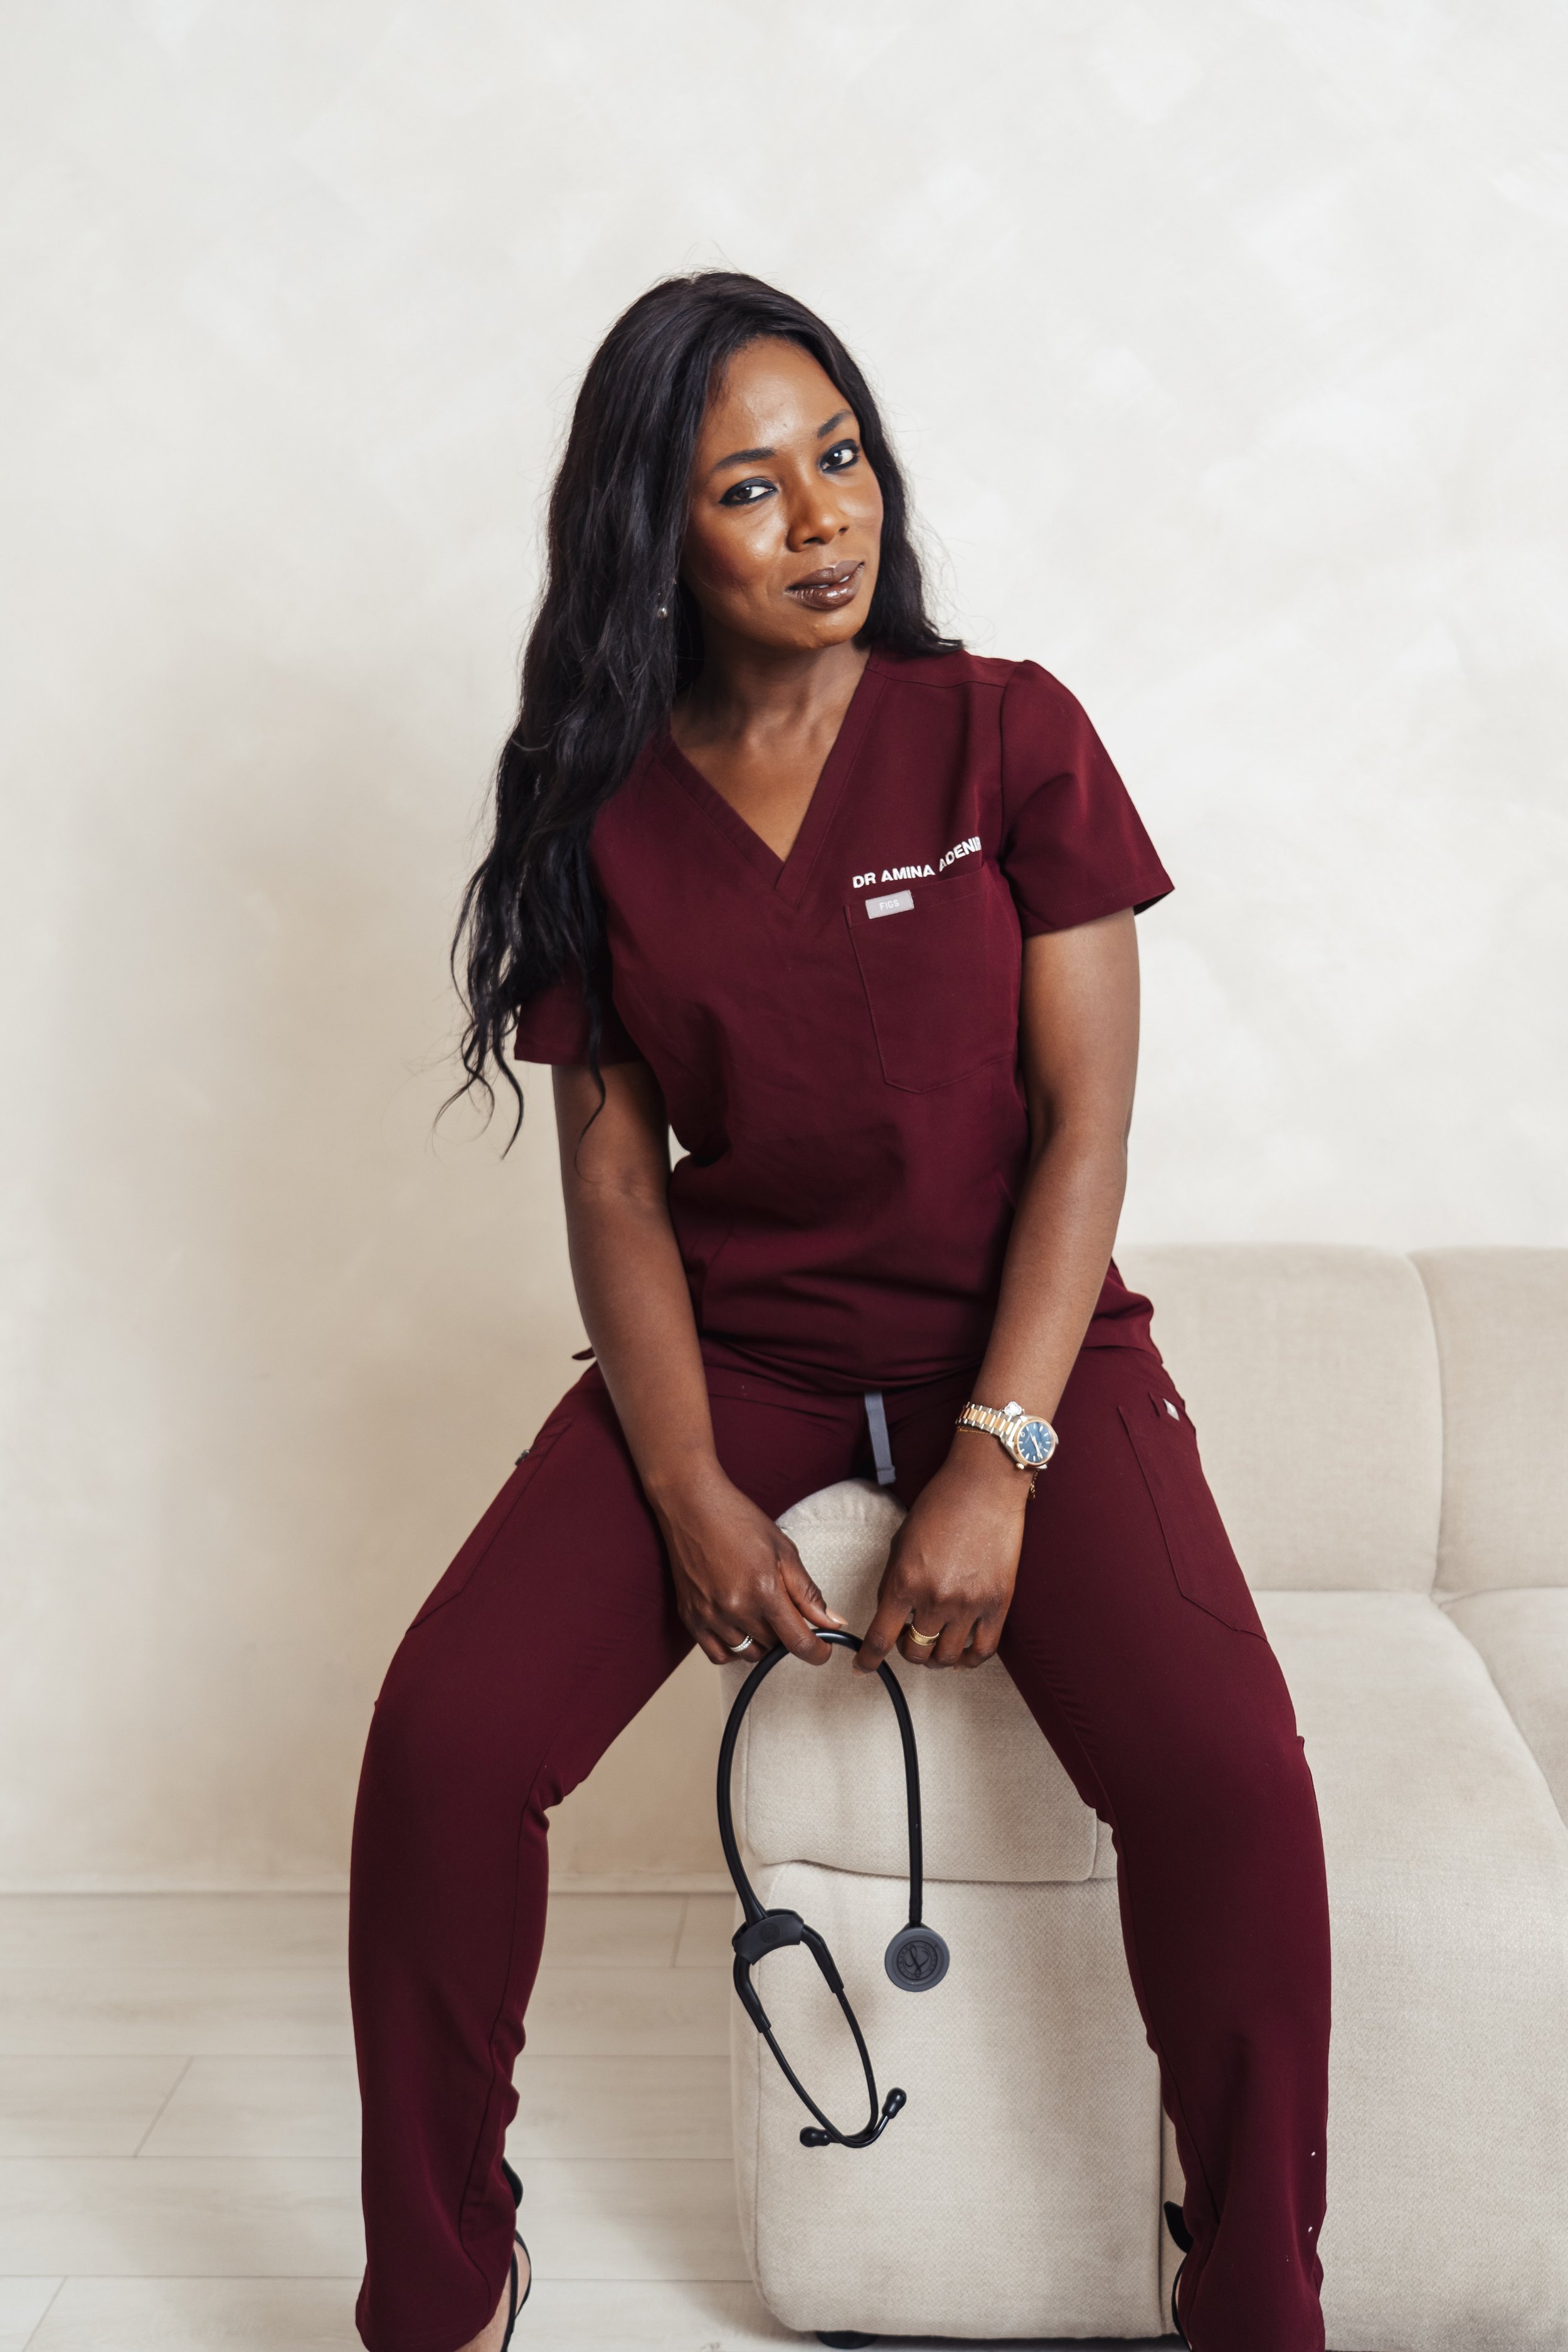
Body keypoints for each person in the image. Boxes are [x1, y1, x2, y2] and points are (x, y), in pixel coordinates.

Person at [347, 272, 1331, 2352]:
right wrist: (691, 1482)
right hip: (745, 1353)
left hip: (1028, 1345)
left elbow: (1083, 1132)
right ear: (654, 535)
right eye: (746, 486)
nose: (821, 519)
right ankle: (438, 2285)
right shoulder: (598, 811)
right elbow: (614, 1178)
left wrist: (1002, 1457)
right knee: (441, 1744)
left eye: (841, 456)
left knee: (1230, 1780)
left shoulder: (1005, 730)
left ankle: (1249, 2292)